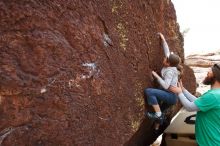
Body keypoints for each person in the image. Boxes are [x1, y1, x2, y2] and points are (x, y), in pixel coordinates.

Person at [170, 63, 220, 146]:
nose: (207, 72)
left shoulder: (213, 96)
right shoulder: (215, 94)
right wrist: (183, 90)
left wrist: (179, 93)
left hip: (210, 143)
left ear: (216, 75)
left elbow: (190, 107)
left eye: (210, 71)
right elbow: (198, 102)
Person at [144, 33, 182, 128]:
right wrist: (163, 38)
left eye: (165, 59)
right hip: (170, 94)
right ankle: (157, 126)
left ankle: (158, 115)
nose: (164, 58)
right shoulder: (171, 63)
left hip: (170, 96)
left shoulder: (170, 71)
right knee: (160, 108)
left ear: (168, 64)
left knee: (149, 92)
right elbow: (167, 51)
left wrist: (156, 76)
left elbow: (166, 85)